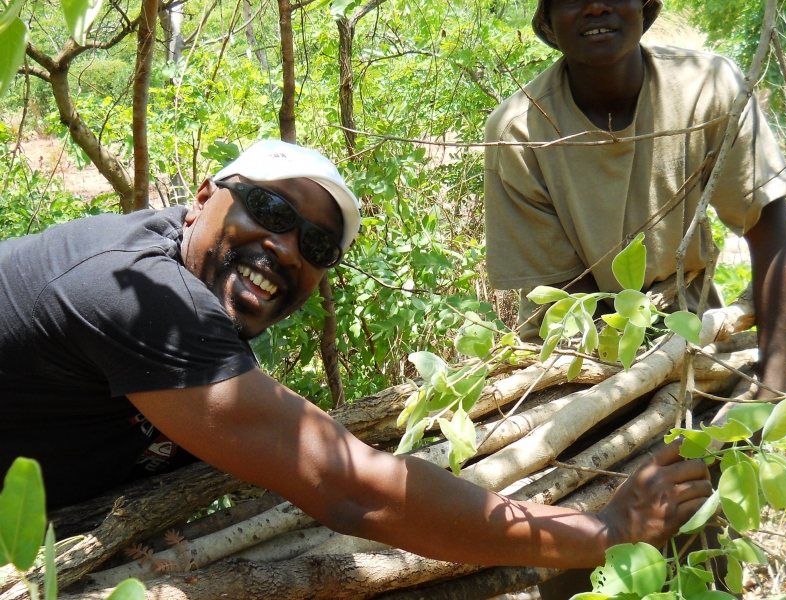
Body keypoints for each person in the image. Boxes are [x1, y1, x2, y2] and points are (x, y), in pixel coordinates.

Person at [0, 139, 710, 569]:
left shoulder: (194, 281)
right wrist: (604, 531)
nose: (283, 248)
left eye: (315, 247)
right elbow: (351, 488)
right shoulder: (137, 294)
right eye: (271, 212)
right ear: (201, 198)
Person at [484, 0, 786, 404]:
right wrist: (659, 379)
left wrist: (771, 382)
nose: (596, 8)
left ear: (646, 6)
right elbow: (574, 303)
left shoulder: (707, 86)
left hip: (691, 326)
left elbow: (767, 227)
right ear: (547, 18)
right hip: (576, 356)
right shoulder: (519, 131)